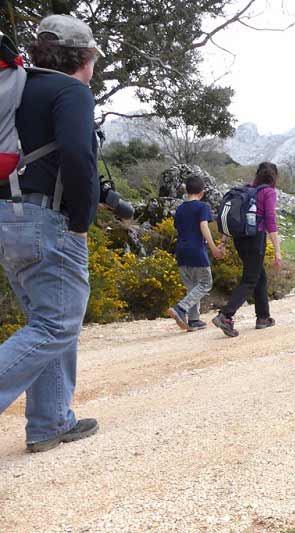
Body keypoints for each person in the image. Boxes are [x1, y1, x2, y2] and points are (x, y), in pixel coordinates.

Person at [0, 15, 103, 452]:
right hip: (46, 220)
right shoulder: (71, 91)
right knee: (57, 323)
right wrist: (82, 221)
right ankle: (50, 422)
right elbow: (80, 156)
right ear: (84, 57)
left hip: (8, 216)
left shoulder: (19, 88)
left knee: (46, 319)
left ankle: (50, 422)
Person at [213, 162, 282, 337]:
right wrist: (277, 250)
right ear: (274, 177)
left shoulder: (246, 190)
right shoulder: (268, 192)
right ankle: (225, 316)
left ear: (257, 174)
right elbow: (270, 221)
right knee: (250, 279)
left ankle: (263, 317)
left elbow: (233, 218)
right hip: (255, 239)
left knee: (260, 275)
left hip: (239, 240)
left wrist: (223, 241)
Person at [168, 176, 225, 331]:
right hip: (196, 252)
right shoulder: (202, 207)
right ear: (203, 192)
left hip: (181, 252)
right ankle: (181, 308)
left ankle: (194, 320)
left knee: (192, 286)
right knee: (206, 283)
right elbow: (203, 226)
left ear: (186, 190)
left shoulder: (180, 208)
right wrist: (213, 248)